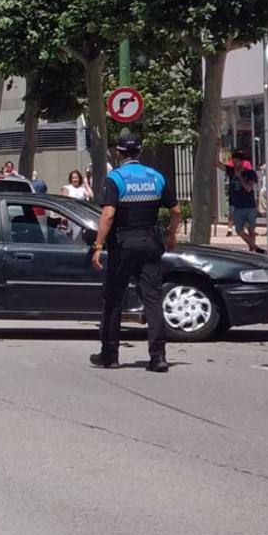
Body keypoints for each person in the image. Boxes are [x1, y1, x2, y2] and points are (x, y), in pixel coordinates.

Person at [90, 135, 181, 373]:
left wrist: (98, 246)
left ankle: (110, 356)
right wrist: (171, 235)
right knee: (152, 300)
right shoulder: (156, 177)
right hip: (151, 243)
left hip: (123, 244)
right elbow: (176, 210)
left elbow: (108, 215)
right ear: (140, 151)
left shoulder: (116, 178)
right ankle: (158, 357)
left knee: (113, 300)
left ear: (118, 153)